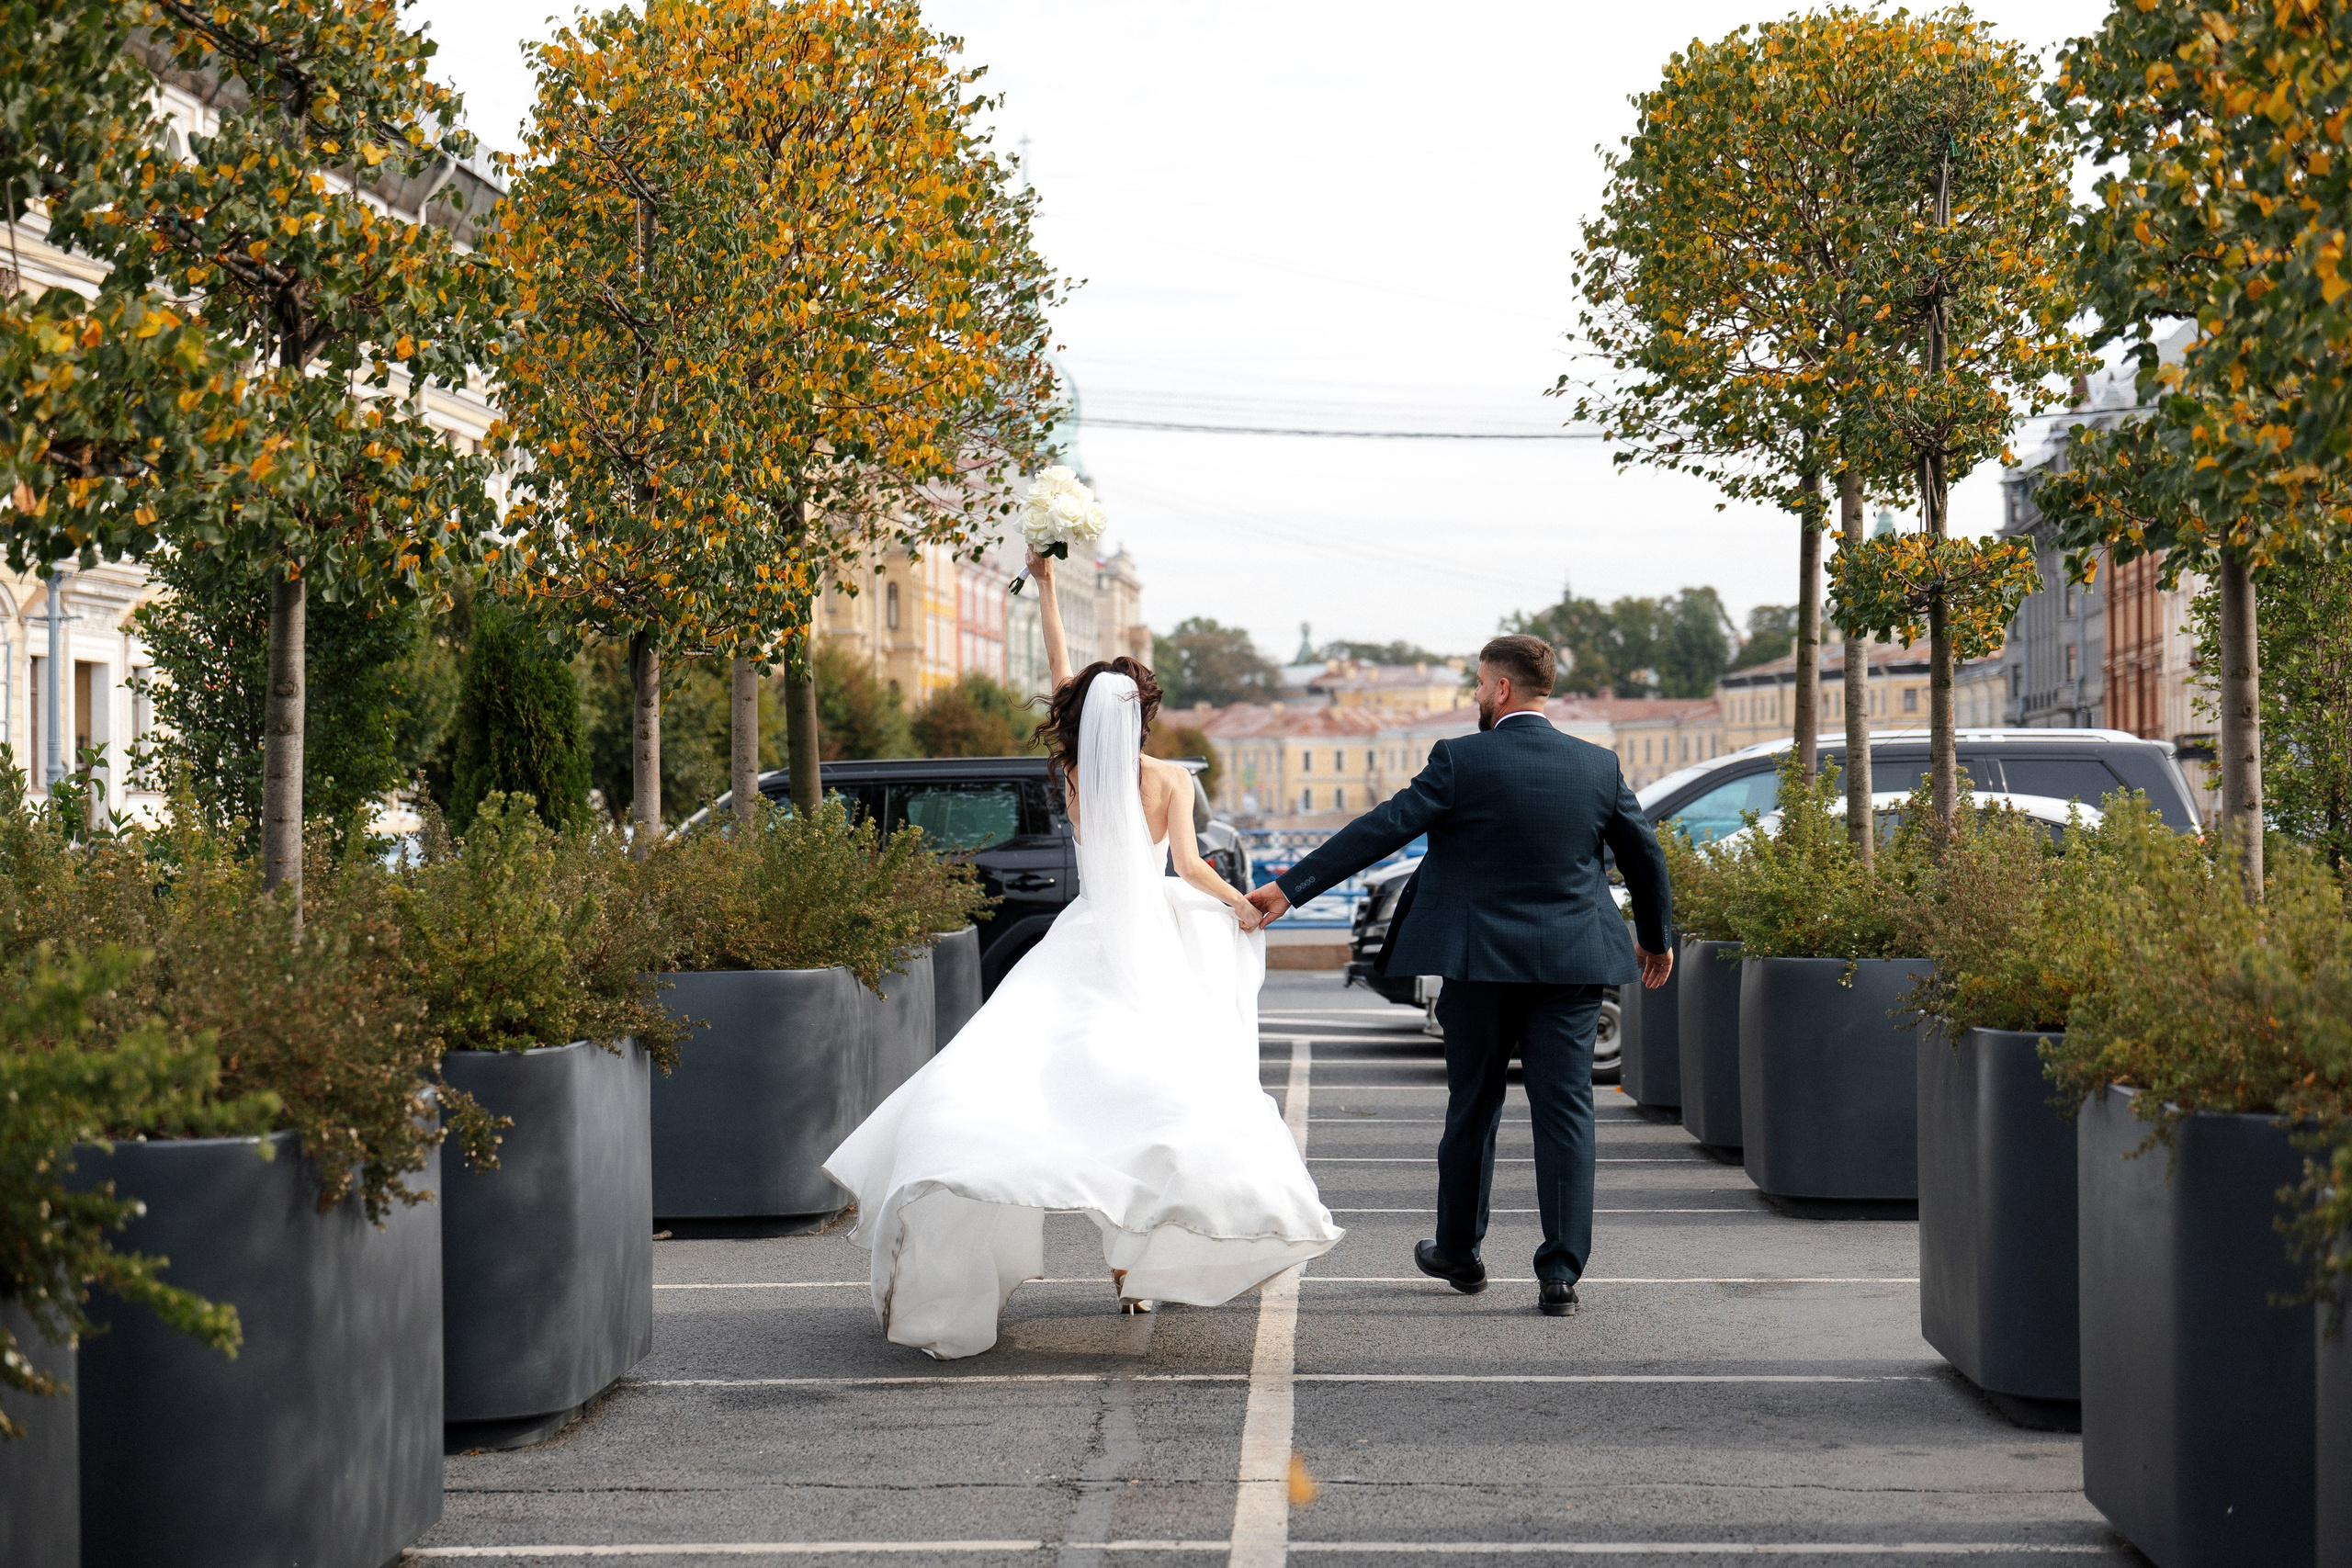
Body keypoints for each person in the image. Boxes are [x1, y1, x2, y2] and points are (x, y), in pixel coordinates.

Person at [822, 547, 1342, 1359]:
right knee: (1155, 1101)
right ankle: (1134, 1269)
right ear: (1144, 714)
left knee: (1028, 1083)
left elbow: (1066, 676)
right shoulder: (1168, 777)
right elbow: (1195, 867)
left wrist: (1051, 585)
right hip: (1150, 950)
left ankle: (984, 1222)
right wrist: (1248, 906)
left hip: (1082, 938)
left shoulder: (1073, 772)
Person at [1245, 634, 1671, 1319]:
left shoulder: (1460, 759)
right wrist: (1656, 939)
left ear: (1501, 689)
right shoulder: (1597, 765)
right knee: (1567, 1113)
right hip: (1571, 963)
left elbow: (1382, 828)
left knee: (1473, 1104)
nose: (1475, 696)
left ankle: (1459, 1251)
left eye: (1477, 683)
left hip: (1479, 965)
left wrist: (1290, 889)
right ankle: (1560, 1273)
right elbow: (1644, 857)